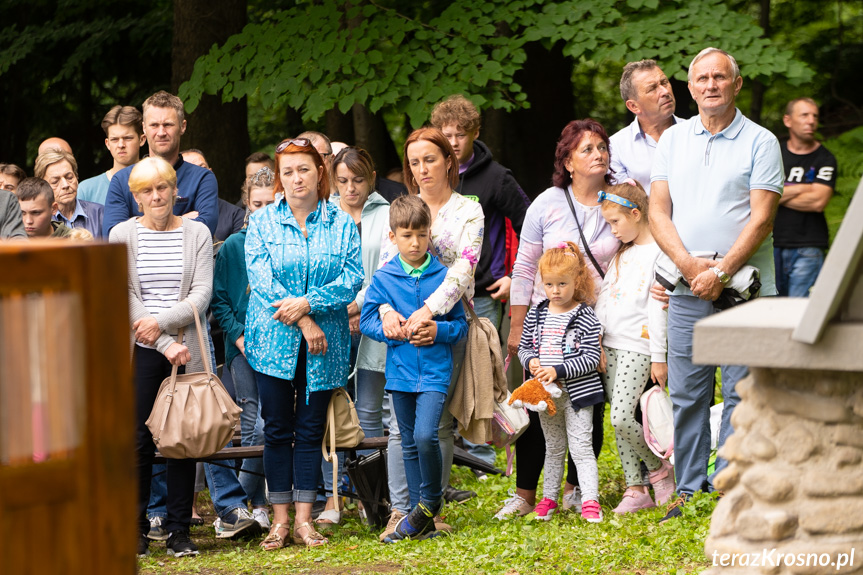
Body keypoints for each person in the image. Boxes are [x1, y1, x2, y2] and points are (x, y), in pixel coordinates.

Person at [649, 47, 784, 522]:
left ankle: (730, 487)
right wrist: (691, 268)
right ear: (691, 88)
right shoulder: (673, 140)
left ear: (736, 84)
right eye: (702, 78)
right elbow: (657, 211)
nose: (710, 85)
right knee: (687, 394)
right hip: (687, 287)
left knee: (741, 391)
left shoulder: (762, 141)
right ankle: (687, 489)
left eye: (720, 78)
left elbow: (763, 218)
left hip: (744, 291)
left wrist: (721, 272)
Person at [499, 119, 619, 520]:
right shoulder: (547, 203)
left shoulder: (616, 202)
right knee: (539, 410)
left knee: (588, 405)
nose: (598, 153)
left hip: (598, 321)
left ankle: (575, 490)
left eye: (602, 146)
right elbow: (523, 268)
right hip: (544, 320)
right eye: (587, 149)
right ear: (567, 161)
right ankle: (527, 495)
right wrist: (518, 328)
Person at [245, 137, 362, 549]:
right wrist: (304, 318)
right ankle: (278, 521)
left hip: (323, 345)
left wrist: (310, 303)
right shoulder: (262, 222)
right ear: (280, 178)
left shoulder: (343, 222)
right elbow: (261, 281)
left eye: (304, 170)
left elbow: (351, 278)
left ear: (320, 173)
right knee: (276, 428)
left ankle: (304, 520)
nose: (296, 179)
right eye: (288, 172)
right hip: (274, 340)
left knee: (311, 430)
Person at [374, 127, 484, 541]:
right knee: (401, 428)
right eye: (415, 162)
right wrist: (386, 310)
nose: (423, 169)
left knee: (436, 425)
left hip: (447, 325)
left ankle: (430, 509)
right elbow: (385, 268)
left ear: (449, 161)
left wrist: (429, 315)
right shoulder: (404, 208)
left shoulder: (467, 210)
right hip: (404, 333)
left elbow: (463, 269)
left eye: (431, 159)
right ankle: (401, 509)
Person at [108, 156, 214, 558]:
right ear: (136, 198)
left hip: (185, 346)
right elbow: (124, 294)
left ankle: (178, 531)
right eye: (147, 191)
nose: (156, 196)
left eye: (163, 187)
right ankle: (134, 527)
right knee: (136, 439)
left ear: (175, 190)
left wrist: (163, 325)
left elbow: (201, 295)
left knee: (181, 439)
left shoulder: (198, 233)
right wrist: (160, 339)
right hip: (139, 350)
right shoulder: (121, 234)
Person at [431, 94, 531, 477]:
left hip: (482, 293)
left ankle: (482, 456)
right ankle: (449, 445)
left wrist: (514, 275)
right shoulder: (431, 173)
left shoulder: (495, 178)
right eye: (446, 134)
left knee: (479, 369)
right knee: (445, 369)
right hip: (432, 292)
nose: (453, 142)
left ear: (475, 133)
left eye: (460, 134)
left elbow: (529, 224)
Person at [361, 194, 468, 541]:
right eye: (407, 235)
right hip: (400, 372)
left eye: (421, 235)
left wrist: (438, 330)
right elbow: (366, 322)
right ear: (393, 237)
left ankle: (430, 503)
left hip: (436, 371)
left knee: (427, 435)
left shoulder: (444, 276)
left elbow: (460, 327)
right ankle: (416, 519)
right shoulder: (384, 278)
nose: (415, 242)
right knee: (407, 441)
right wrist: (389, 331)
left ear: (429, 234)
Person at [594, 181, 675, 513]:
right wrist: (596, 341)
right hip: (609, 347)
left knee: (621, 417)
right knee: (621, 422)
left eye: (615, 222)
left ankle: (659, 472)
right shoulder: (621, 253)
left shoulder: (659, 252)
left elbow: (658, 309)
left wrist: (659, 357)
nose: (612, 230)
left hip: (637, 348)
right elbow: (603, 299)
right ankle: (636, 489)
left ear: (636, 213)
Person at [323, 146, 390, 526]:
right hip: (331, 321)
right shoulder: (325, 215)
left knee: (367, 411)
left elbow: (385, 271)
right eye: (343, 181)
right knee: (327, 409)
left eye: (358, 180)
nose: (351, 188)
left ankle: (372, 500)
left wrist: (359, 309)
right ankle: (331, 497)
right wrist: (338, 309)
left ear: (372, 178)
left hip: (372, 320)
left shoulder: (385, 215)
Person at [517, 241, 604, 522]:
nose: (555, 291)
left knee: (580, 447)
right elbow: (525, 347)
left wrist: (558, 370)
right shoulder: (537, 312)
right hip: (546, 397)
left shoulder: (585, 315)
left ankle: (590, 500)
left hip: (578, 396)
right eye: (549, 284)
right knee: (553, 448)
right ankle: (549, 499)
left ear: (576, 280)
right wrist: (531, 361)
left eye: (562, 284)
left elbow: (591, 358)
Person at [211, 167, 277, 530]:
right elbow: (219, 300)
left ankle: (246, 500)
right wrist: (238, 337)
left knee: (270, 423)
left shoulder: (285, 243)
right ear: (247, 204)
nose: (264, 210)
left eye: (271, 203)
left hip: (279, 344)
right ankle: (249, 504)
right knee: (253, 420)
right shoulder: (234, 245)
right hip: (242, 345)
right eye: (257, 204)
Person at [103, 91, 218, 236]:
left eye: (168, 124)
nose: (161, 132)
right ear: (144, 128)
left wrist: (136, 226)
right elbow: (113, 234)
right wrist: (181, 221)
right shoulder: (121, 180)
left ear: (182, 126)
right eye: (154, 125)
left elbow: (205, 230)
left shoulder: (202, 178)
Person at [773, 97, 837, 297]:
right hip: (770, 244)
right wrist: (804, 187)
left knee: (800, 312)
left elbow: (818, 201)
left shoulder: (825, 158)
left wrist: (778, 192)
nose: (811, 121)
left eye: (815, 116)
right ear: (788, 120)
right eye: (804, 115)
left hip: (809, 247)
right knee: (770, 309)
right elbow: (756, 195)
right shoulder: (773, 153)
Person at [609, 60, 681, 191]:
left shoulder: (697, 132)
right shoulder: (616, 147)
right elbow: (623, 204)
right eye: (652, 88)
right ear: (633, 106)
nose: (665, 91)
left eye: (664, 82)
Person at [78, 105, 146, 205]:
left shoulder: (157, 183)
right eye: (114, 139)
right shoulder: (86, 190)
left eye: (127, 138)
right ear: (107, 144)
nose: (121, 145)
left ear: (142, 139)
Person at [34, 150, 103, 238]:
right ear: (43, 187)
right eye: (55, 181)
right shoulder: (39, 221)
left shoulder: (100, 213)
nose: (65, 185)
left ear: (76, 177)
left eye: (69, 177)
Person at [180, 148, 244, 242]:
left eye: (202, 168)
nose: (199, 175)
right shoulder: (166, 212)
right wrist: (179, 222)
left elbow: (237, 252)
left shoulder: (234, 214)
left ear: (211, 172)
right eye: (189, 171)